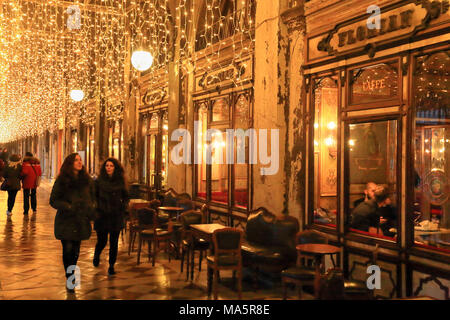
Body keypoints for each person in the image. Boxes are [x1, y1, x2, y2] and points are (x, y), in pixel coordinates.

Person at [49, 153, 96, 292]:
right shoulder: (62, 180)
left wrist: (91, 207)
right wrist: (68, 206)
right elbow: (53, 200)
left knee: (75, 250)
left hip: (80, 220)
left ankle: (72, 274)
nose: (79, 162)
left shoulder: (87, 180)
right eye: (76, 160)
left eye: (80, 160)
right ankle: (70, 277)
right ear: (70, 163)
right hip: (66, 220)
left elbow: (93, 197)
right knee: (68, 249)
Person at [93, 158, 129, 275]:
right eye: (107, 166)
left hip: (115, 215)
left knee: (114, 243)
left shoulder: (120, 182)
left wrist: (122, 207)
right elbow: (95, 196)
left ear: (115, 168)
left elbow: (126, 197)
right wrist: (97, 208)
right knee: (102, 241)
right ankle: (97, 254)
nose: (108, 168)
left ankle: (112, 265)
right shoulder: (99, 182)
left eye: (111, 166)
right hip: (102, 215)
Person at [21, 152, 42, 217]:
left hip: (27, 181)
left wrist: (20, 176)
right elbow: (40, 172)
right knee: (33, 195)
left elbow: (24, 172)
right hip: (34, 181)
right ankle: (34, 208)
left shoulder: (25, 163)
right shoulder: (37, 163)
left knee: (26, 196)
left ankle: (26, 210)